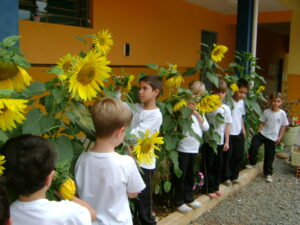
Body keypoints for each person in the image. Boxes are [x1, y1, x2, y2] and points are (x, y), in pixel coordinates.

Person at [75, 97, 146, 225]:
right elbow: (133, 193)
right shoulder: (126, 162)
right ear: (121, 131)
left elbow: (78, 191)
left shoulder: (82, 159)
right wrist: (133, 163)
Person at [0, 134, 96, 225]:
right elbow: (91, 214)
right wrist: (69, 196)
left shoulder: (7, 214)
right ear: (49, 178)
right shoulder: (70, 213)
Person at [118, 75, 163, 225]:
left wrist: (119, 133)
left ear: (156, 92)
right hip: (130, 158)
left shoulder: (156, 115)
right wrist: (118, 88)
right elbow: (118, 106)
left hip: (144, 163)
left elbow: (136, 136)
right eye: (139, 88)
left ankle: (147, 222)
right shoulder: (136, 107)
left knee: (144, 199)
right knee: (131, 195)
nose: (140, 92)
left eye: (145, 88)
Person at [174, 81, 209, 213]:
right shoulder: (182, 108)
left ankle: (189, 198)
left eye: (199, 95)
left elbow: (206, 127)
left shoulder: (200, 110)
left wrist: (197, 114)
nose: (196, 98)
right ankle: (178, 201)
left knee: (190, 174)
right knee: (181, 176)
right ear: (189, 93)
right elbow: (181, 124)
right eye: (195, 94)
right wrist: (188, 111)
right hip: (183, 147)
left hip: (194, 148)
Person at [246, 92, 289, 183]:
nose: (275, 103)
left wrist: (280, 137)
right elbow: (262, 122)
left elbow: (284, 126)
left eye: (278, 101)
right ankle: (252, 162)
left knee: (269, 156)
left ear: (281, 102)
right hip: (262, 134)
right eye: (274, 101)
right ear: (270, 101)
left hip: (272, 137)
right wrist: (258, 132)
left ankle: (268, 173)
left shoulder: (282, 114)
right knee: (253, 146)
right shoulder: (266, 112)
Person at [202, 79, 232, 198]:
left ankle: (216, 186)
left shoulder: (226, 108)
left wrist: (227, 141)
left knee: (218, 165)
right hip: (209, 141)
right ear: (212, 92)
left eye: (223, 92)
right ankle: (208, 188)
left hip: (220, 142)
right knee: (209, 164)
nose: (220, 95)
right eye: (217, 92)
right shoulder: (207, 106)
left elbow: (227, 125)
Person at [223, 79, 248, 186]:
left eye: (245, 93)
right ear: (234, 90)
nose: (242, 95)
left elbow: (241, 117)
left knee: (238, 156)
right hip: (229, 133)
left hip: (238, 132)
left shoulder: (241, 103)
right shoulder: (228, 102)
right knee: (228, 156)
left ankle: (234, 176)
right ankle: (226, 177)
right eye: (240, 92)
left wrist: (243, 129)